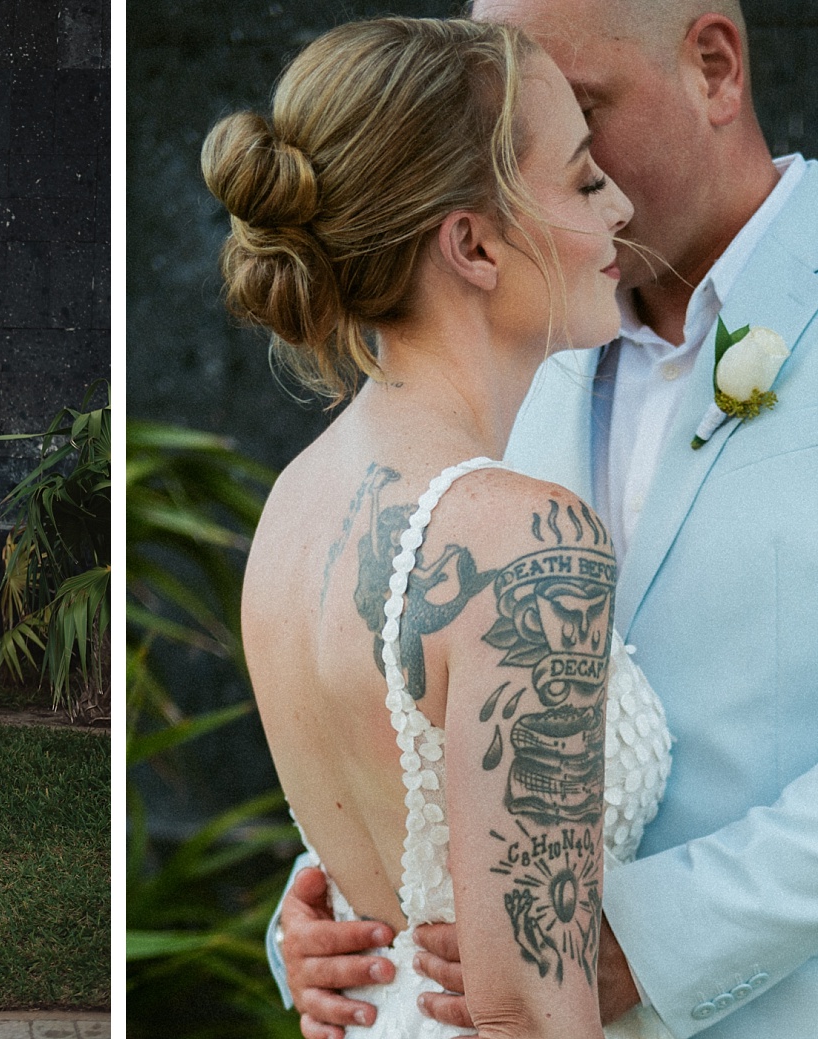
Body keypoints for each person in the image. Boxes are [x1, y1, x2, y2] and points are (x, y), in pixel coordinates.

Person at [276, 2, 818, 1037]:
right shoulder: (511, 329)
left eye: (580, 107)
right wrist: (342, 918)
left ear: (712, 67)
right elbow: (428, 683)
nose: (583, 181)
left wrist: (647, 940)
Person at [205, 15, 663, 1039]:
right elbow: (528, 1020)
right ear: (471, 243)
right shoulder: (522, 539)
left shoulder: (290, 507)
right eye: (585, 180)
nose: (621, 207)